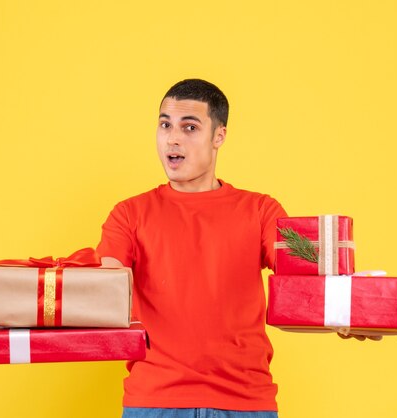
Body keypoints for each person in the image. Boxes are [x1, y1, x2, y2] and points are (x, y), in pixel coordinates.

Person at [97, 79, 285, 418]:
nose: (173, 138)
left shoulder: (261, 211)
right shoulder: (129, 214)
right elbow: (103, 290)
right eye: (165, 124)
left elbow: (304, 283)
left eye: (189, 127)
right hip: (154, 402)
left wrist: (346, 316)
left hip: (245, 401)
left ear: (219, 137)